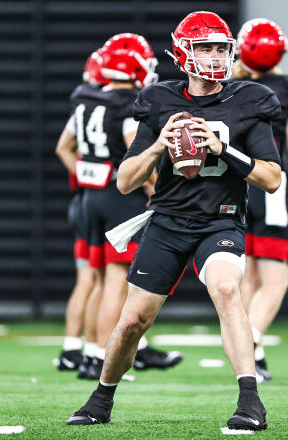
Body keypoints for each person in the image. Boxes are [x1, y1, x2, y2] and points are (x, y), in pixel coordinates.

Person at [67, 11, 282, 431]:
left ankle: (250, 401)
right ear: (184, 52)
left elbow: (272, 178)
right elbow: (127, 181)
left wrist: (223, 149)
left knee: (225, 288)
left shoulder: (249, 99)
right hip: (167, 222)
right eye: (206, 48)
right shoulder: (159, 100)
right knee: (133, 320)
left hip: (220, 222)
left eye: (221, 48)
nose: (216, 56)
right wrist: (157, 147)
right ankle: (101, 397)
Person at [69, 33, 182, 380]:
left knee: (99, 280)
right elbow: (135, 154)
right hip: (120, 198)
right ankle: (104, 356)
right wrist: (154, 187)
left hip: (91, 197)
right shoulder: (128, 102)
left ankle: (89, 353)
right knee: (117, 281)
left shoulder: (87, 97)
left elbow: (67, 146)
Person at [233, 19, 288, 383]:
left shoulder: (231, 87)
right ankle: (250, 342)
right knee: (276, 280)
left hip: (233, 189)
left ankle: (252, 354)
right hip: (270, 190)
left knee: (248, 278)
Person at [54, 49, 108, 373]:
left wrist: (85, 176)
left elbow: (63, 147)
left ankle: (73, 348)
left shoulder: (85, 105)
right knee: (99, 280)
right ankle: (92, 351)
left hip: (85, 201)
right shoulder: (112, 106)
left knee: (88, 279)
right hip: (105, 200)